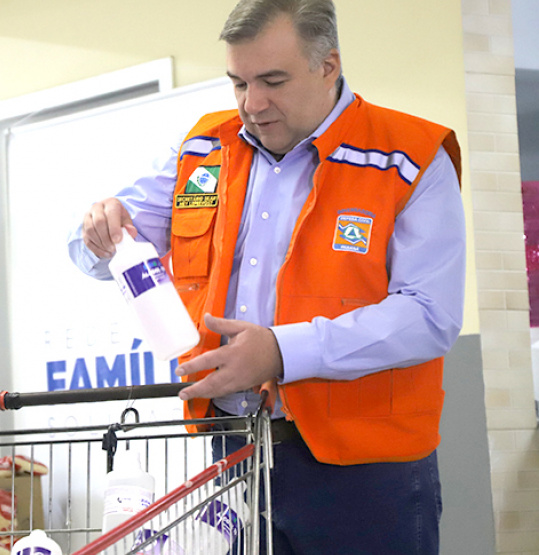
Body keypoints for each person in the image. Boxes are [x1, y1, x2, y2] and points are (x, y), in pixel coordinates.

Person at [69, 0, 465, 553]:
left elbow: (430, 314)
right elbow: (96, 246)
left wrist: (281, 352)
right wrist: (97, 232)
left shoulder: (408, 156)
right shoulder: (206, 149)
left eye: (272, 81)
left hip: (367, 469)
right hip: (233, 456)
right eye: (238, 82)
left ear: (328, 65)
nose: (252, 104)